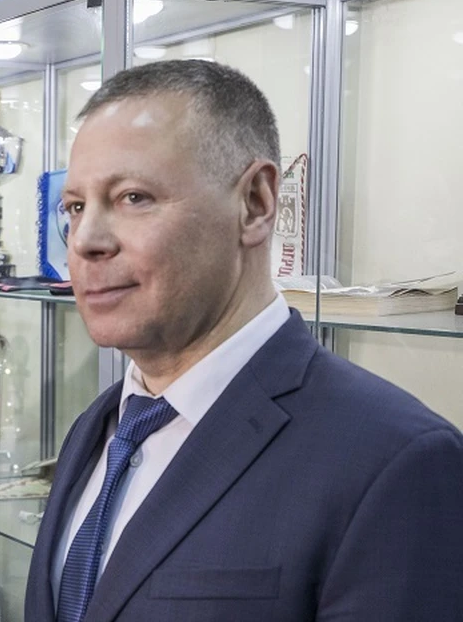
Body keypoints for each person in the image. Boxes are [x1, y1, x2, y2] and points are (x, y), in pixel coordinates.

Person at [25, 60, 463, 621]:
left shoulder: (396, 462)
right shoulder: (98, 427)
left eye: (134, 197)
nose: (85, 241)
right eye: (75, 207)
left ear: (255, 203)